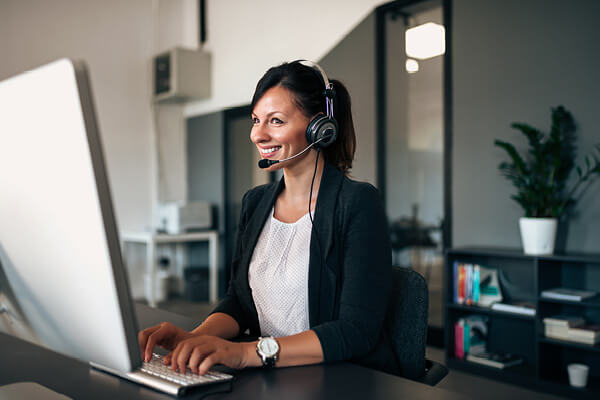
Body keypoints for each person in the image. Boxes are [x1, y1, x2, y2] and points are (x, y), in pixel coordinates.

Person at [139, 60, 398, 376]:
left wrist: (246, 353)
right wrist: (195, 337)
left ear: (320, 127)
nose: (257, 135)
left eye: (275, 121)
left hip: (335, 376)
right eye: (256, 120)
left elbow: (356, 330)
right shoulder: (256, 202)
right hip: (270, 374)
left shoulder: (356, 202)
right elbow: (239, 303)